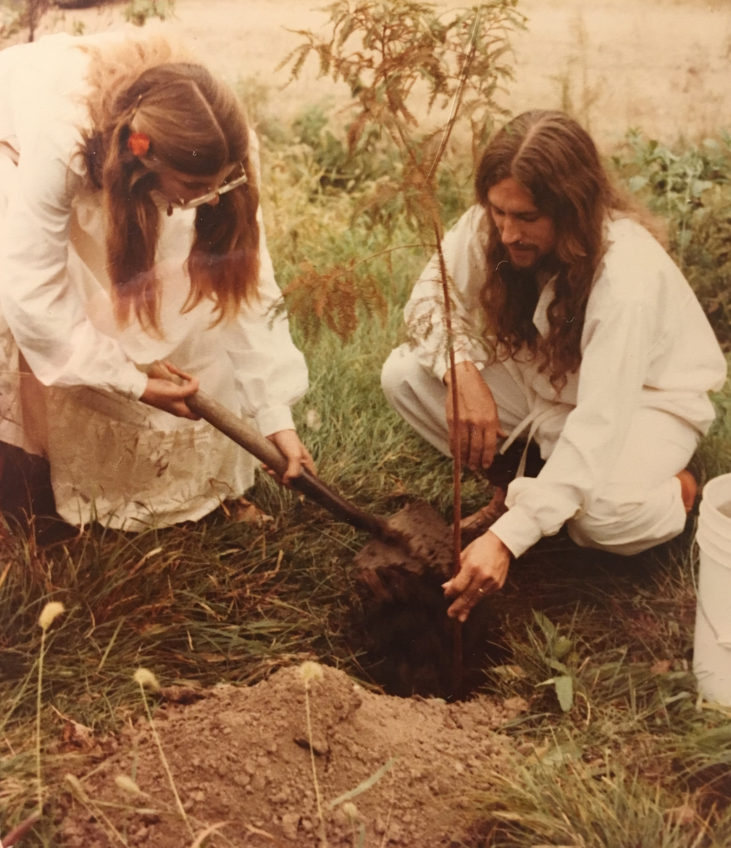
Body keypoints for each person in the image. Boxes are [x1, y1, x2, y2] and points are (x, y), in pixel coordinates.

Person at [381, 109, 727, 622]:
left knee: (601, 520)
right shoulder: (494, 225)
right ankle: (520, 487)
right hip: (550, 392)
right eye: (499, 212)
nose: (508, 232)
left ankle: (678, 488)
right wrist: (462, 369)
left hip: (644, 408)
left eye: (527, 218)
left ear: (573, 210)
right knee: (406, 376)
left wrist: (505, 541)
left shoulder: (625, 277)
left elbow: (599, 425)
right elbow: (429, 300)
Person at [0, 30, 314, 533]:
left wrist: (275, 416)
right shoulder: (62, 144)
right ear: (142, 158)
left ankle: (203, 490)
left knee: (188, 296)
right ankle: (37, 483)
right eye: (196, 188)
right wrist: (132, 382)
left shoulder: (220, 144)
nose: (213, 198)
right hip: (13, 151)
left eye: (223, 181)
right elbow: (31, 291)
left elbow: (247, 287)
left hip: (135, 162)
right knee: (31, 305)